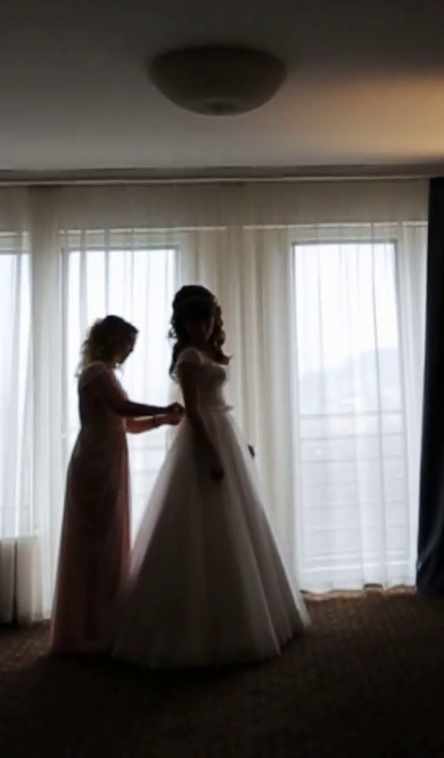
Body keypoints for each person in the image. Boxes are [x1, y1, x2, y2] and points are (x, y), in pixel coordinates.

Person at [111, 285, 309, 668]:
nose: (201, 326)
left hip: (224, 429)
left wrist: (234, 445)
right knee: (199, 526)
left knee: (236, 524)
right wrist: (212, 451)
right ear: (183, 323)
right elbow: (195, 411)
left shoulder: (208, 352)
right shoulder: (188, 357)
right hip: (204, 437)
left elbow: (216, 405)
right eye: (193, 321)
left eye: (206, 319)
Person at [50, 315, 183, 654]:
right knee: (98, 541)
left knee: (106, 537)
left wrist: (161, 420)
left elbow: (126, 424)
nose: (130, 351)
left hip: (106, 459)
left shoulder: (101, 374)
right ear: (112, 340)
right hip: (96, 462)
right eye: (127, 344)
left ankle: (98, 625)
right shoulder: (97, 373)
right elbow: (122, 408)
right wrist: (164, 407)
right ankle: (91, 630)